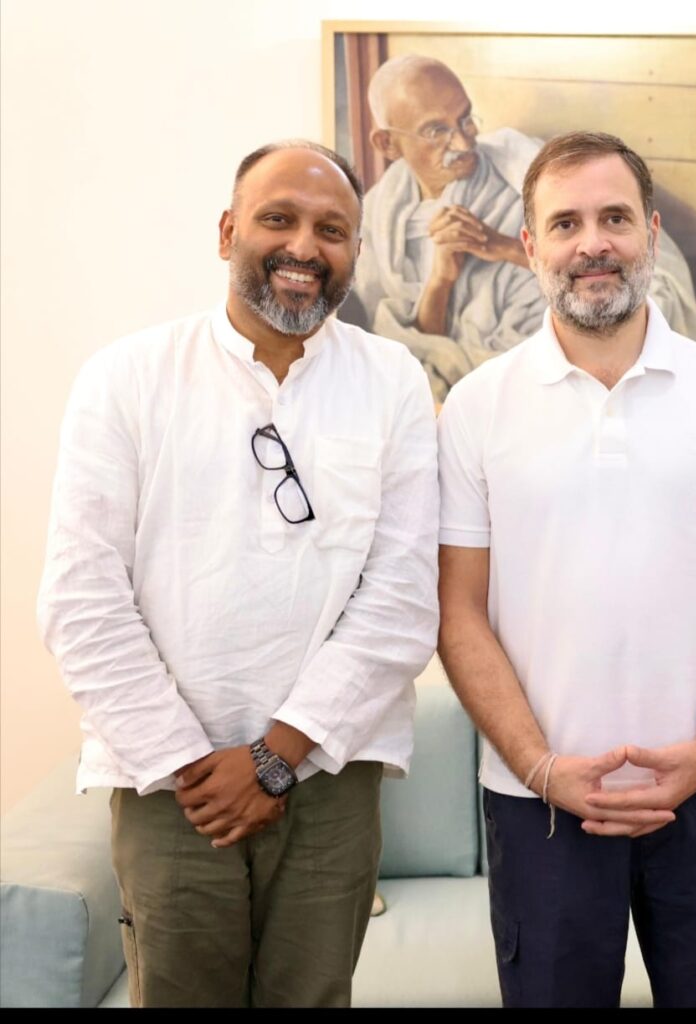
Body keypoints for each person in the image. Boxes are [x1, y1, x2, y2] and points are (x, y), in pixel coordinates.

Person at [37, 140, 439, 1008]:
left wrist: (276, 757)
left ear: (355, 251)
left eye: (332, 229)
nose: (304, 246)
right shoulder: (127, 378)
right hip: (171, 784)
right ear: (227, 232)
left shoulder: (394, 382)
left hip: (329, 770)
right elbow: (81, 599)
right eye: (278, 218)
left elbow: (403, 597)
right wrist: (195, 764)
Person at [437, 130, 696, 1008]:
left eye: (615, 218)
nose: (592, 243)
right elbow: (457, 610)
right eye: (565, 223)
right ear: (531, 244)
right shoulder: (475, 408)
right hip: (540, 801)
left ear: (652, 232)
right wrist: (540, 766)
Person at [346, 55, 696, 401]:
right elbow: (416, 350)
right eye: (436, 131)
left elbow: (622, 287)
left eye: (465, 119)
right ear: (387, 143)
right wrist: (440, 282)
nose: (462, 141)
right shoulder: (381, 213)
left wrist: (501, 246)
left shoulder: (525, 173)